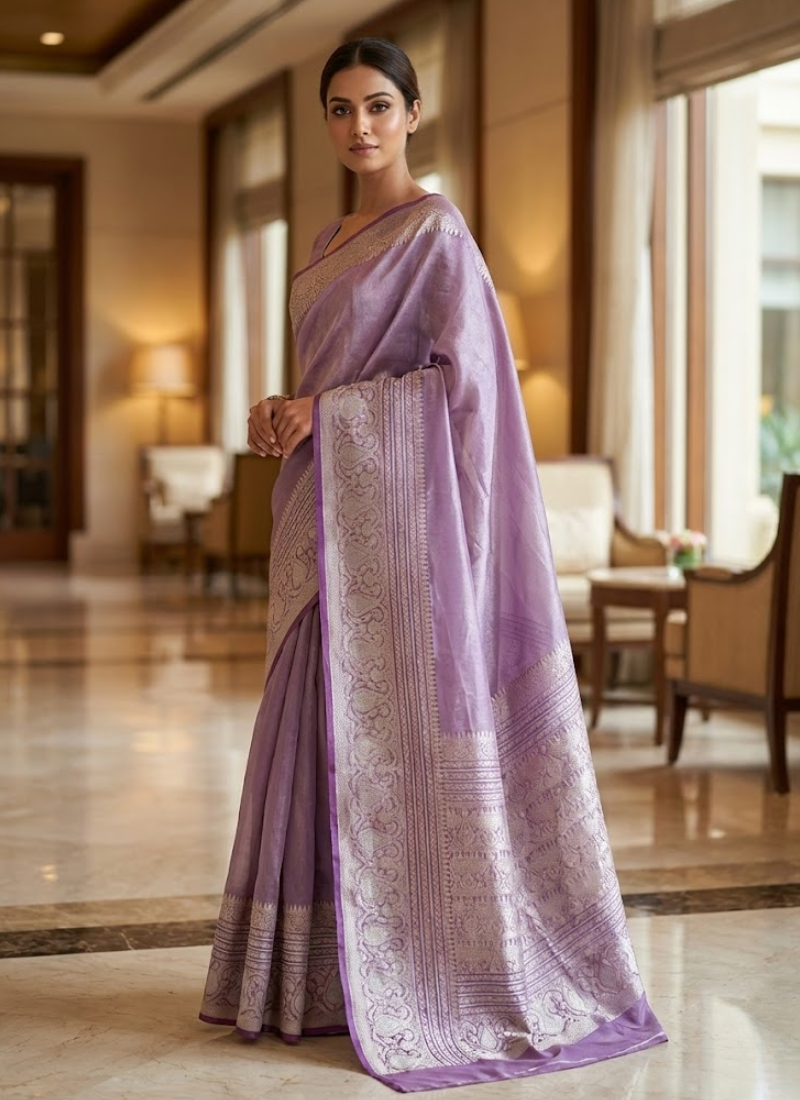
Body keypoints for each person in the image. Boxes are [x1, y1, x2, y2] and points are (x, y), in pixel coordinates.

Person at [200, 37, 666, 1092]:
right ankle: (304, 979)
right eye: (339, 108)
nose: (358, 126)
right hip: (318, 518)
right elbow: (333, 373)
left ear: (413, 113)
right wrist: (285, 411)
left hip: (394, 539)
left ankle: (419, 966)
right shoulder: (326, 240)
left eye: (377, 106)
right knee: (300, 729)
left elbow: (466, 391)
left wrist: (330, 413)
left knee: (387, 739)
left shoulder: (436, 231)